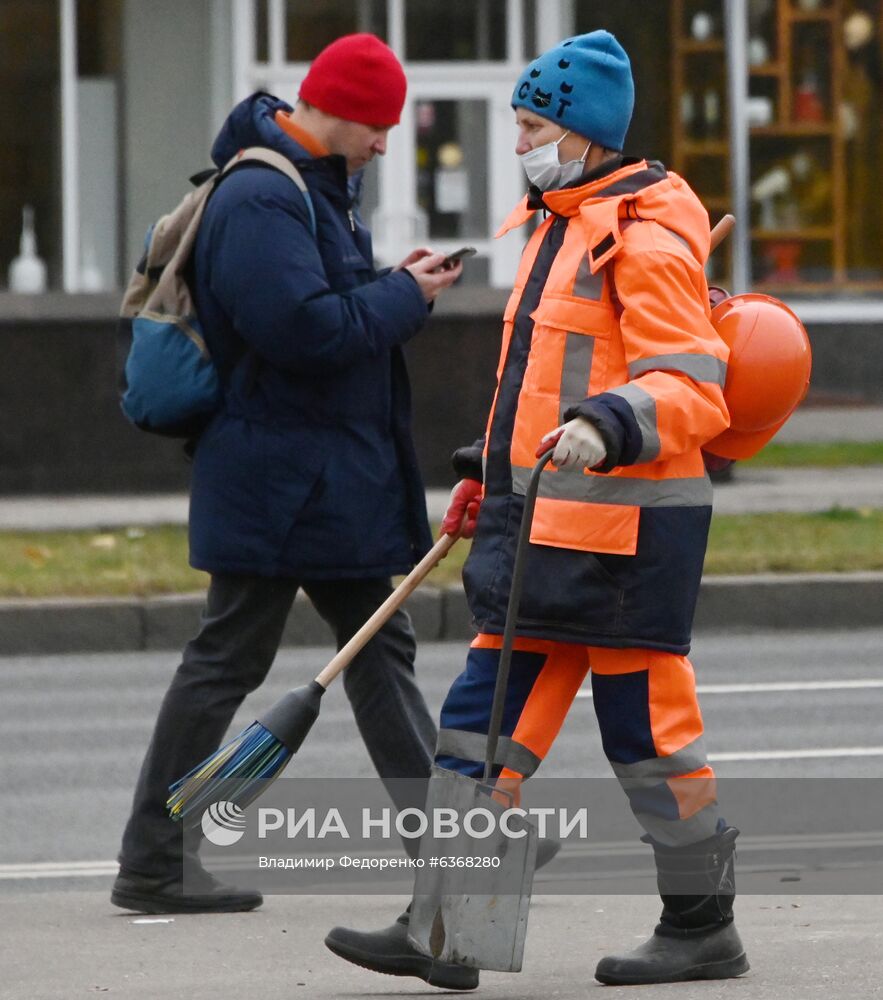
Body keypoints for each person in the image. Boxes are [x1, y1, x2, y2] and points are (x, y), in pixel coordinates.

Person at [325, 30, 749, 989]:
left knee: (648, 744)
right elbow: (537, 380)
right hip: (542, 525)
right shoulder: (562, 220)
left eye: (530, 125)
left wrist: (609, 423)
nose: (521, 142)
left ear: (583, 132)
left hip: (627, 537)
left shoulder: (640, 235)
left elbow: (691, 384)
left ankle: (702, 923)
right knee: (473, 736)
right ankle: (450, 933)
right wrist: (490, 471)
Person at [111, 33, 463, 915]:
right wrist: (403, 299)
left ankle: (157, 860)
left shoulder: (312, 189)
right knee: (237, 657)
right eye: (377, 126)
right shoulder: (265, 194)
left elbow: (317, 308)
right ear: (336, 110)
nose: (385, 143)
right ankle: (154, 861)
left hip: (312, 473)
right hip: (287, 475)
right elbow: (300, 333)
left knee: (369, 649)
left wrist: (389, 283)